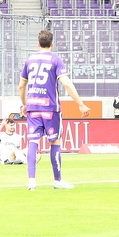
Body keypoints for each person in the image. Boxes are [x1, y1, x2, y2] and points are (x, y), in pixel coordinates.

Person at [18, 29, 90, 190]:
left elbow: (21, 86)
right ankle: (57, 180)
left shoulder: (29, 60)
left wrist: (24, 104)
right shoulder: (56, 60)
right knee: (55, 141)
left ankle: (31, 181)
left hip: (33, 107)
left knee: (33, 142)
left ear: (38, 44)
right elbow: (66, 83)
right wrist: (80, 103)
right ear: (52, 44)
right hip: (50, 108)